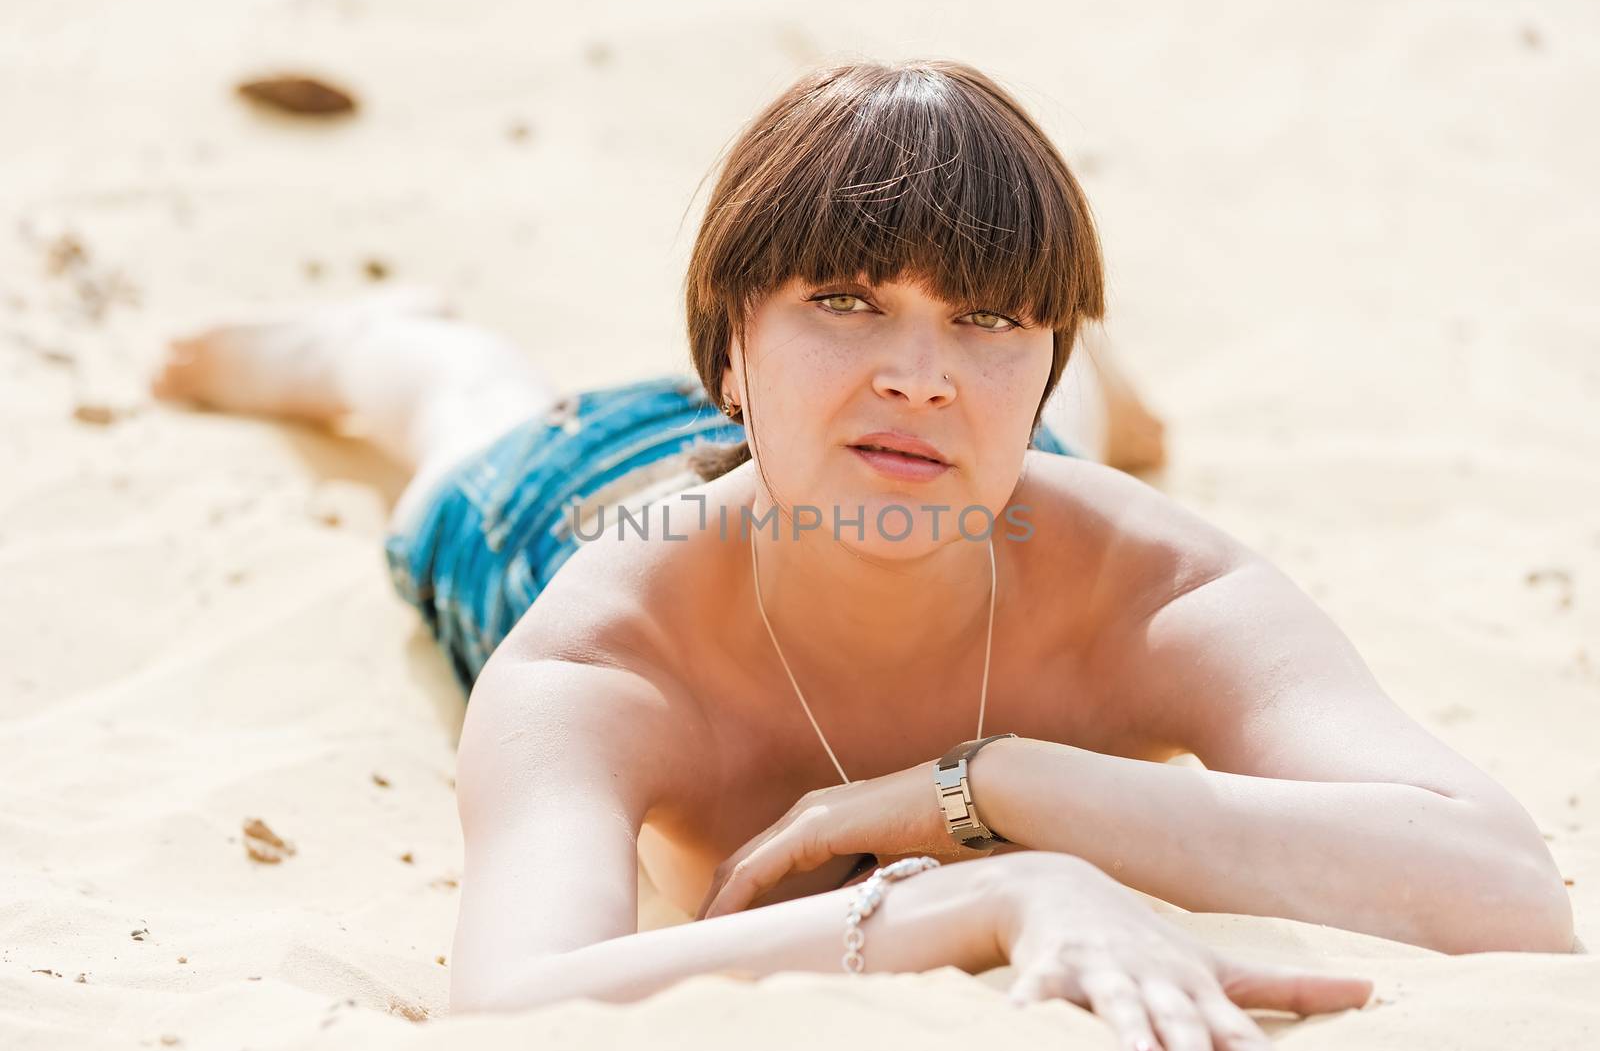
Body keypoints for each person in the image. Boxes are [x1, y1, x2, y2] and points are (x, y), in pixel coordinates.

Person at [149, 59, 1571, 1049]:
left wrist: (993, 787)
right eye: (844, 296)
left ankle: (1066, 373)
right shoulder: (598, 646)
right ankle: (389, 336)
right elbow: (521, 1008)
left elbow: (1504, 887)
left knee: (1023, 449)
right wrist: (987, 889)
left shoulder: (1158, 582)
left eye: (994, 315)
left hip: (1009, 500)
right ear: (731, 340)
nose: (920, 370)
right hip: (592, 488)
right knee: (465, 425)